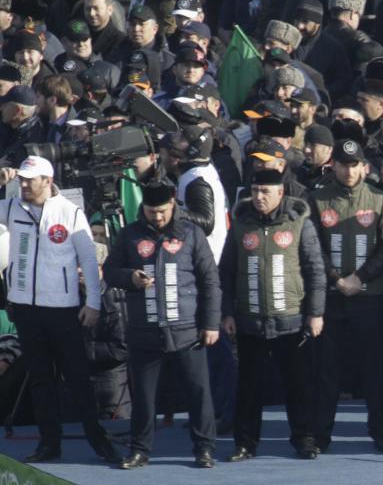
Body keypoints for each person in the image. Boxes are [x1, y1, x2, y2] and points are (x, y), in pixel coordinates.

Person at [1, 155, 120, 464]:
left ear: (47, 181)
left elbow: (89, 261)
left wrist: (93, 302)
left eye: (30, 180)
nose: (23, 184)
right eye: (21, 179)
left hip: (63, 309)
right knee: (40, 380)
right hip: (26, 308)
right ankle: (48, 443)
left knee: (77, 378)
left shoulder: (69, 213)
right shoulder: (13, 207)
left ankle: (98, 438)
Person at [103, 181, 221, 468]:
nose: (157, 217)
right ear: (143, 208)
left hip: (187, 328)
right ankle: (140, 450)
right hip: (145, 329)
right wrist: (130, 277)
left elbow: (210, 280)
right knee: (143, 396)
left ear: (173, 206)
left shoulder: (191, 233)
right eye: (151, 211)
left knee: (198, 392)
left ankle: (204, 448)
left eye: (163, 211)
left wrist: (211, 323)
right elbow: (110, 271)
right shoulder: (129, 235)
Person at [220, 169, 326, 460]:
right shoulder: (241, 224)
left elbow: (316, 270)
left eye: (265, 191)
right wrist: (226, 312)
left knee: (299, 385)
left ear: (281, 193)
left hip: (291, 319)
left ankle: (304, 438)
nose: (259, 197)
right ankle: (245, 443)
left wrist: (315, 313)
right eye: (255, 191)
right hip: (249, 319)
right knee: (249, 387)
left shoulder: (299, 223)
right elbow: (226, 272)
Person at [308, 138, 383, 453]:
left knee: (376, 370)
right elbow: (312, 246)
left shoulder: (378, 197)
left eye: (354, 164)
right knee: (326, 371)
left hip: (370, 296)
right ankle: (319, 435)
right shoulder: (317, 199)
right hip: (332, 299)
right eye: (343, 164)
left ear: (364, 166)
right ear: (332, 165)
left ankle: (381, 432)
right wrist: (337, 279)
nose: (349, 171)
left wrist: (360, 277)